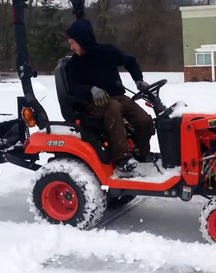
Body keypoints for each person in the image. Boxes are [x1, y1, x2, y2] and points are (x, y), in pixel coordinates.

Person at [64, 19, 154, 172]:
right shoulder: (75, 63)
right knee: (114, 108)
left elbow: (130, 62)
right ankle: (123, 158)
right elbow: (74, 87)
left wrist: (138, 79)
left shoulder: (108, 51)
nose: (71, 47)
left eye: (73, 43)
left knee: (144, 120)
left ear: (83, 41)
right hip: (91, 103)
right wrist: (91, 89)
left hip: (116, 96)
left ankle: (141, 152)